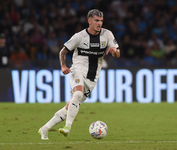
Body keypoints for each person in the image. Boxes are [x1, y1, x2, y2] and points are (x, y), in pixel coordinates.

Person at [38, 9, 120, 140]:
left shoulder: (107, 34)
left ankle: (44, 129)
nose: (99, 23)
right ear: (89, 21)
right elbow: (62, 52)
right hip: (77, 70)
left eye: (101, 21)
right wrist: (63, 66)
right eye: (96, 21)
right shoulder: (79, 36)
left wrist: (114, 51)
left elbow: (117, 54)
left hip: (92, 78)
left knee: (69, 107)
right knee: (77, 94)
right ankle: (67, 127)